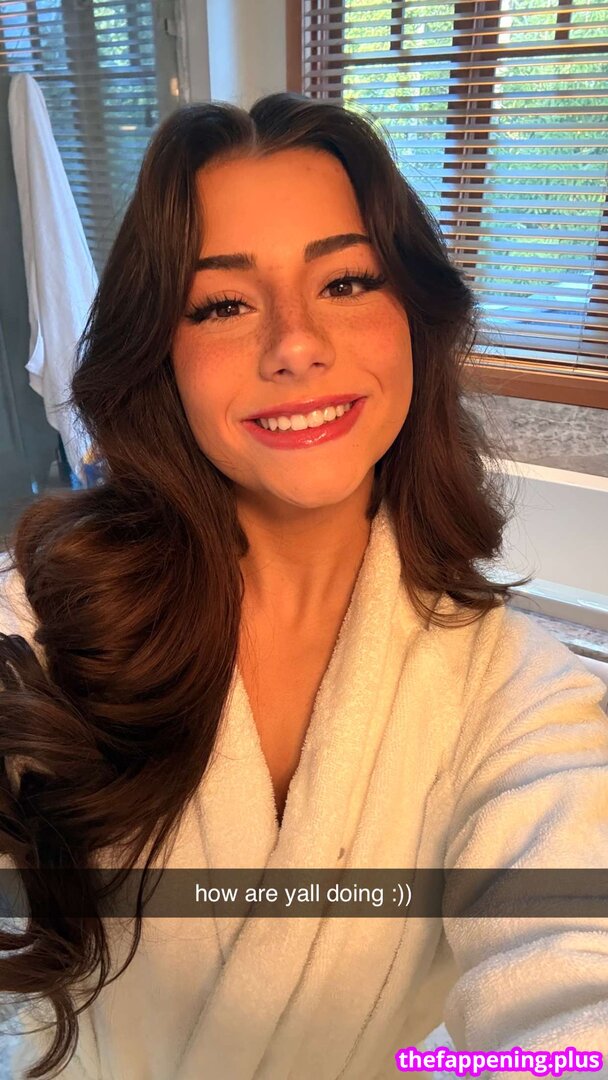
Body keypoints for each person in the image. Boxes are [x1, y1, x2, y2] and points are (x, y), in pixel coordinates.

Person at [0, 92, 607, 1080]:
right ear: (162, 354)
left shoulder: (517, 696)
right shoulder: (45, 621)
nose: (294, 343)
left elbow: (576, 979)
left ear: (413, 317)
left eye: (346, 281)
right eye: (224, 304)